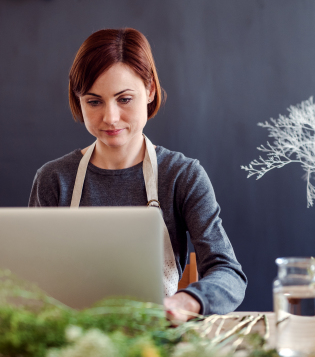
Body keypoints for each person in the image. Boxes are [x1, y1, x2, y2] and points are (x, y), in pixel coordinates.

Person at [29, 28, 246, 323]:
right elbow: (29, 277)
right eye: (94, 101)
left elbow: (228, 272)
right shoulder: (53, 179)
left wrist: (187, 301)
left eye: (125, 99)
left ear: (150, 91)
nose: (110, 117)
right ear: (78, 100)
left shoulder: (182, 175)